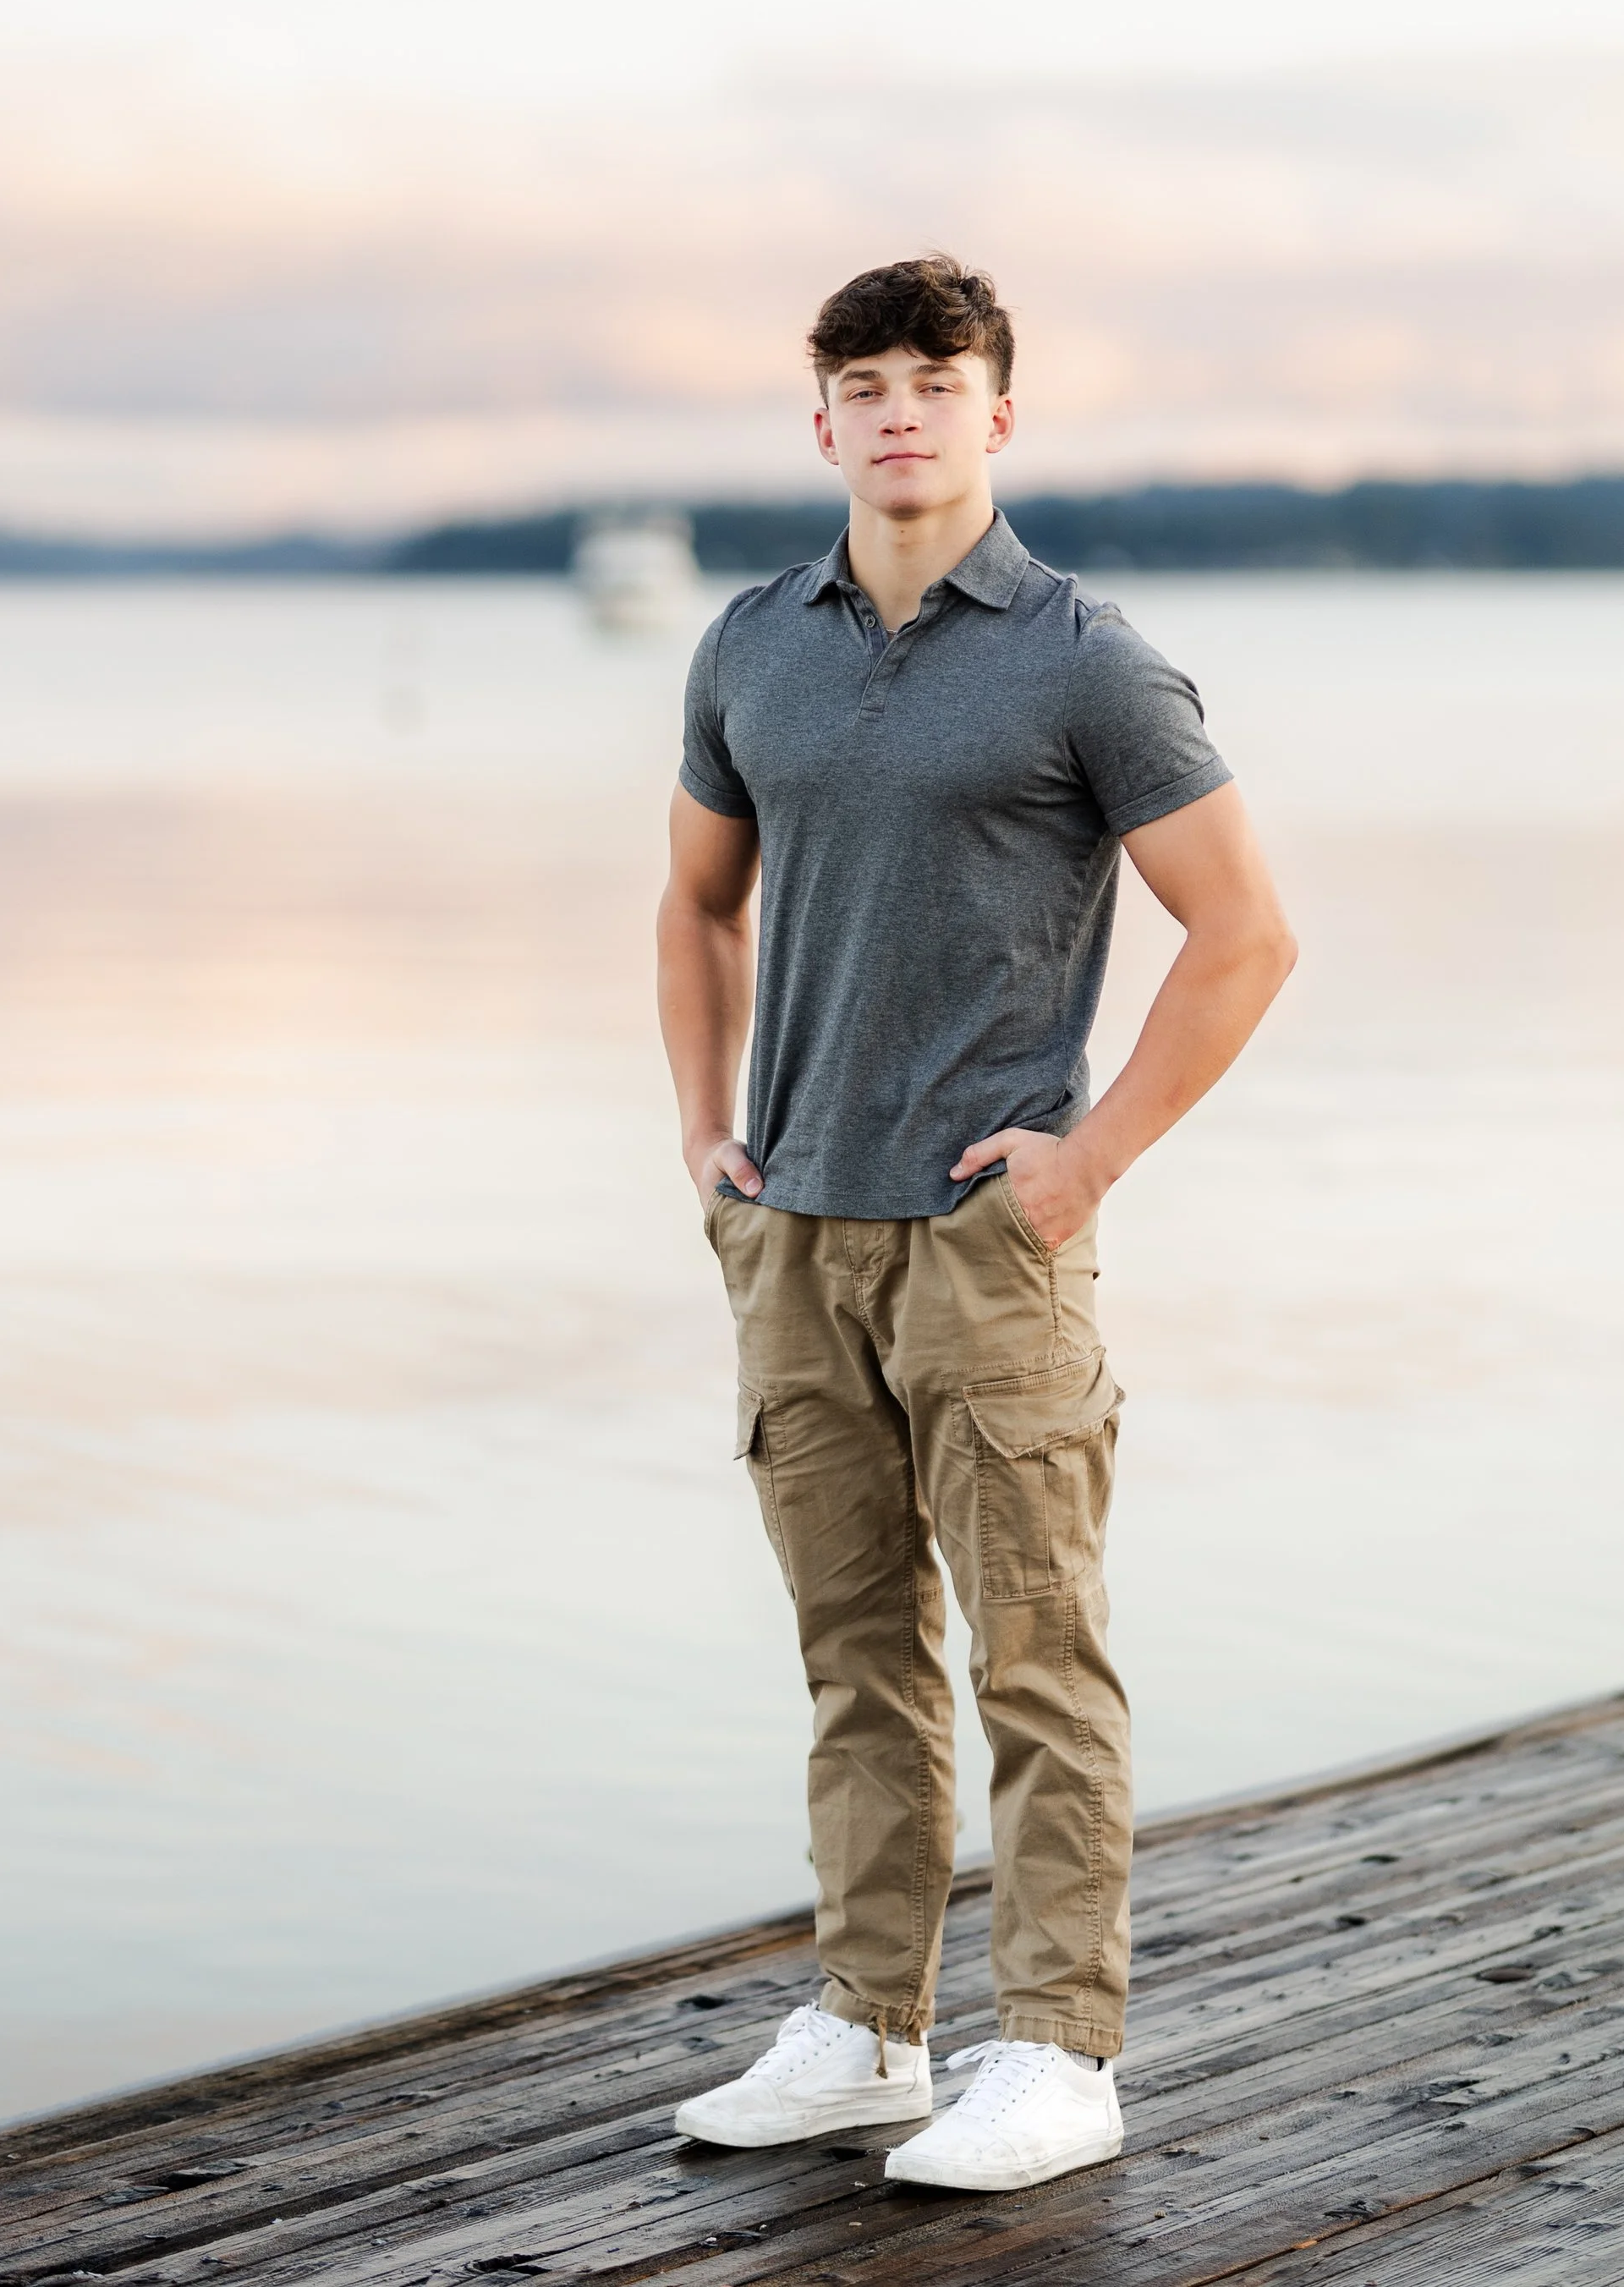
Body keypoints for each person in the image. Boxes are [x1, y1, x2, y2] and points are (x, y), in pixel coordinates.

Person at [655, 254, 1295, 2195]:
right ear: (822, 420)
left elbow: (1243, 936)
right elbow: (696, 906)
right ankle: (865, 2025)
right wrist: (705, 1136)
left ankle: (1056, 2051)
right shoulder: (749, 643)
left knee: (1033, 1654)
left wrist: (1083, 1162)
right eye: (862, 383)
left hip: (981, 1239)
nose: (899, 410)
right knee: (851, 1651)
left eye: (936, 378)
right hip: (790, 1236)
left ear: (995, 414)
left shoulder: (1089, 660)